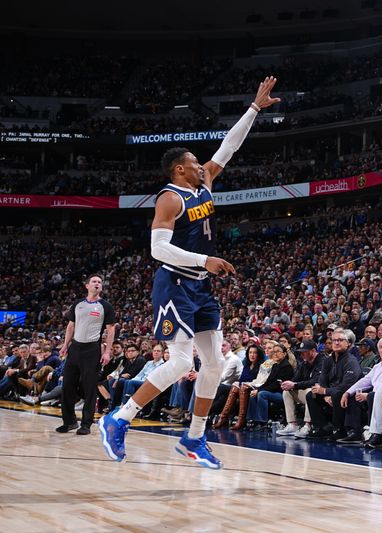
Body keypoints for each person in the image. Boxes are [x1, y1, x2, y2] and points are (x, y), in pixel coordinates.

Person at [99, 77, 281, 468]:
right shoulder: (170, 197)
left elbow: (228, 147)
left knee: (213, 364)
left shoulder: (204, 183)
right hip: (175, 284)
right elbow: (157, 248)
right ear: (180, 169)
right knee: (182, 363)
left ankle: (194, 438)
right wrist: (203, 261)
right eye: (197, 164)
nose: (204, 166)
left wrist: (253, 109)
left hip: (200, 286)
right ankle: (119, 418)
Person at [58, 274, 115, 435]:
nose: (97, 284)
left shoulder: (106, 306)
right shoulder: (78, 304)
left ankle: (86, 424)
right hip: (75, 348)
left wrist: (108, 351)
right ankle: (69, 422)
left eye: (100, 282)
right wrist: (65, 345)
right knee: (67, 385)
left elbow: (111, 329)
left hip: (92, 350)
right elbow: (71, 326)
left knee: (89, 387)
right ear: (87, 286)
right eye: (94, 281)